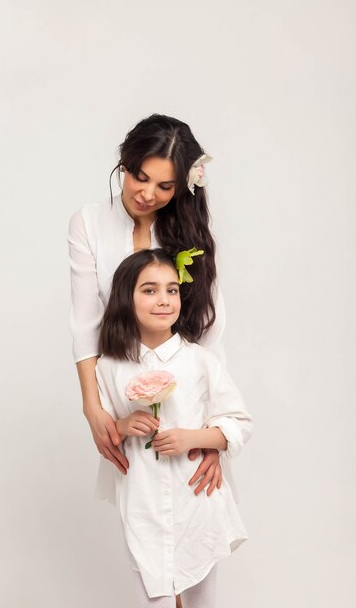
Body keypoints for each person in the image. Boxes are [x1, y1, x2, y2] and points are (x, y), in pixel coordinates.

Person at [68, 113, 227, 496]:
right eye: (140, 177)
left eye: (165, 186)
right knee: (142, 515)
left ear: (183, 186)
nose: (148, 194)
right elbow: (85, 324)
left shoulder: (189, 235)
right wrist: (93, 408)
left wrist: (211, 432)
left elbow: (210, 329)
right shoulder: (88, 223)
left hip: (188, 400)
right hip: (126, 396)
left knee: (196, 511)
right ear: (125, 161)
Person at [96, 249, 253, 607]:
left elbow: (238, 421)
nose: (164, 300)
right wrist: (123, 423)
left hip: (197, 500)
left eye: (171, 290)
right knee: (155, 597)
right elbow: (104, 432)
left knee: (202, 601)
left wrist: (193, 438)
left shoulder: (199, 360)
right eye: (149, 290)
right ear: (126, 296)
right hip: (142, 503)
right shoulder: (109, 367)